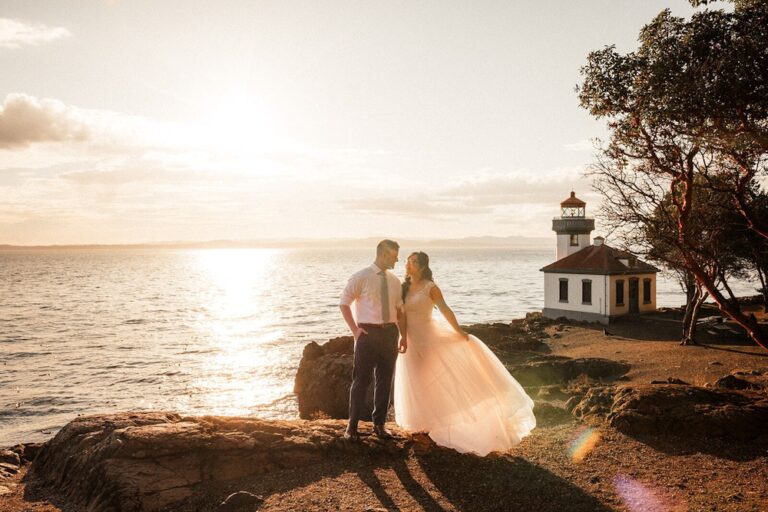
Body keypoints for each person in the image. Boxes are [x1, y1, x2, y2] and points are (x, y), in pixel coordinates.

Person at [394, 251, 536, 456]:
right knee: (413, 379)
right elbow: (401, 316)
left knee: (428, 379)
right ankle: (420, 422)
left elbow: (445, 310)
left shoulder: (430, 287)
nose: (408, 264)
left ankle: (440, 420)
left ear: (423, 266)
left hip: (429, 339)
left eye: (414, 261)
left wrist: (458, 331)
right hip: (411, 340)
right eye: (408, 260)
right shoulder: (402, 287)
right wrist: (403, 336)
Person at [339, 239, 406, 441]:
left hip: (390, 333)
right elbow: (344, 303)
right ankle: (351, 427)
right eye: (394, 256)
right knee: (361, 380)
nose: (397, 260)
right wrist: (355, 330)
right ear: (384, 254)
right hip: (368, 333)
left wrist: (403, 336)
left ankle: (379, 425)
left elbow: (400, 311)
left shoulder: (395, 281)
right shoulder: (362, 276)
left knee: (385, 380)